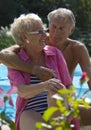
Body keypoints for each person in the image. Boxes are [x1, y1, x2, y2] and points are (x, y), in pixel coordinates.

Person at [0, 8, 91, 126]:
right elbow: (4, 55)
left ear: (71, 30)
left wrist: (69, 103)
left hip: (62, 100)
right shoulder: (33, 45)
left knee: (56, 97)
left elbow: (85, 77)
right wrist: (35, 70)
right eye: (53, 27)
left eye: (62, 28)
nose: (55, 32)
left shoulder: (74, 48)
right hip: (35, 105)